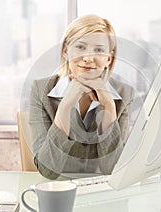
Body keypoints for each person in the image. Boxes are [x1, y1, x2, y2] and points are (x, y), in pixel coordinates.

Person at [29, 14, 134, 179]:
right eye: (80, 47)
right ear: (65, 51)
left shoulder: (124, 94)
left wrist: (109, 108)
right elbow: (47, 170)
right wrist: (65, 106)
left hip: (102, 194)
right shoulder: (40, 90)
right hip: (60, 191)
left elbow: (114, 169)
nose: (88, 58)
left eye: (99, 50)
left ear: (109, 58)